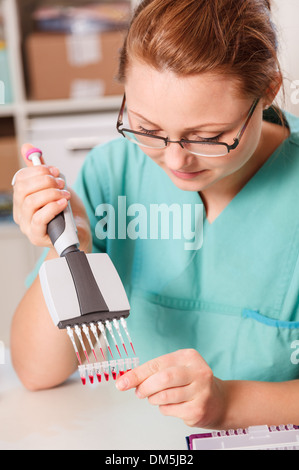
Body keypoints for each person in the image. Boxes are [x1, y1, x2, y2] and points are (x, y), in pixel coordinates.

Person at [11, 0, 299, 430]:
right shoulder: (113, 172)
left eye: (207, 136)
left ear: (268, 92)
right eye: (147, 128)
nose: (175, 159)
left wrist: (229, 402)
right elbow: (37, 372)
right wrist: (71, 250)